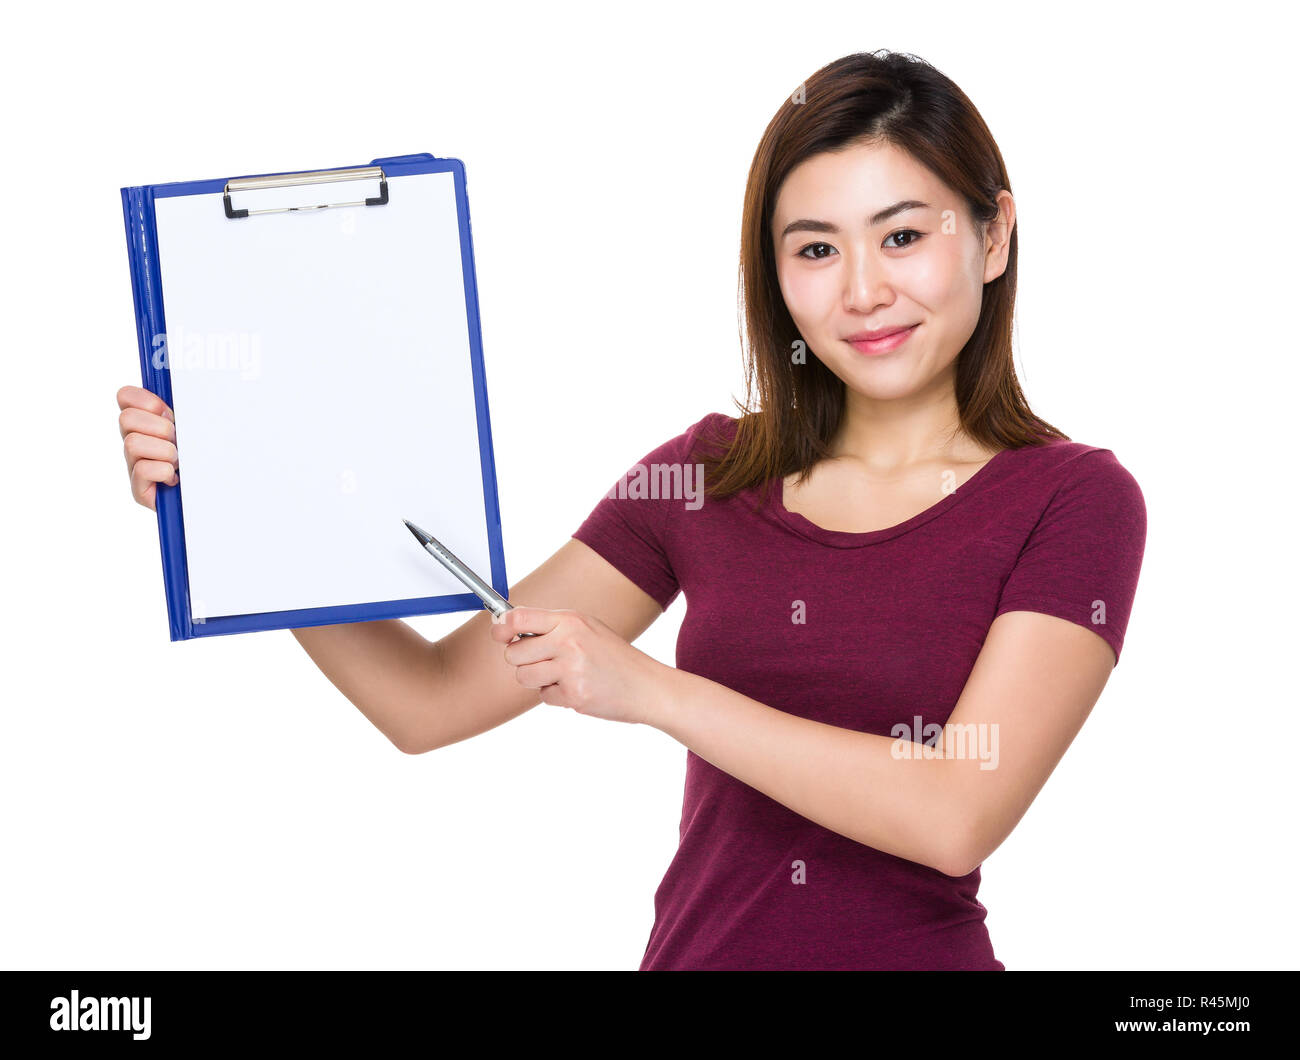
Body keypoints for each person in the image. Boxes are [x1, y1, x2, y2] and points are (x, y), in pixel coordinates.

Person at [117, 50, 1146, 970]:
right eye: (817, 249)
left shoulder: (1072, 500)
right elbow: (427, 700)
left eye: (904, 235)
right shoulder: (704, 476)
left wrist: (654, 691)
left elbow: (953, 811)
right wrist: (245, 503)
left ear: (993, 234)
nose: (865, 290)